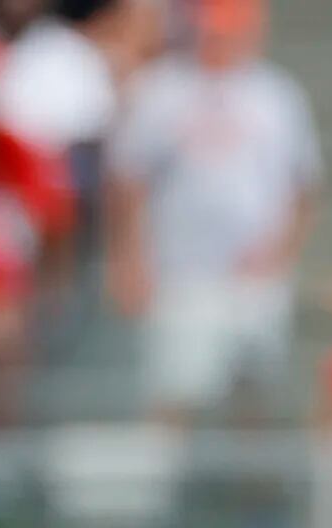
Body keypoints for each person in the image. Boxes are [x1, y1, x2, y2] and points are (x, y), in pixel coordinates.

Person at [104, 0, 320, 423]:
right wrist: (129, 259)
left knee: (255, 398)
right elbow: (128, 182)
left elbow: (304, 187)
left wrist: (279, 253)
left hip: (253, 277)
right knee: (174, 391)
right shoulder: (163, 89)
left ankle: (249, 487)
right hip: (181, 273)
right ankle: (162, 484)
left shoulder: (277, 95)